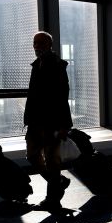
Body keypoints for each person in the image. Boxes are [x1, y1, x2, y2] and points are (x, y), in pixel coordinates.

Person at [24, 31, 73, 212]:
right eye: (35, 42)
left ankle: (53, 199)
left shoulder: (57, 66)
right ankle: (59, 181)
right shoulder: (37, 65)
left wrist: (62, 126)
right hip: (36, 122)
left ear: (50, 45)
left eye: (41, 43)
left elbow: (62, 97)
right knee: (32, 156)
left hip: (51, 122)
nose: (37, 46)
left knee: (52, 161)